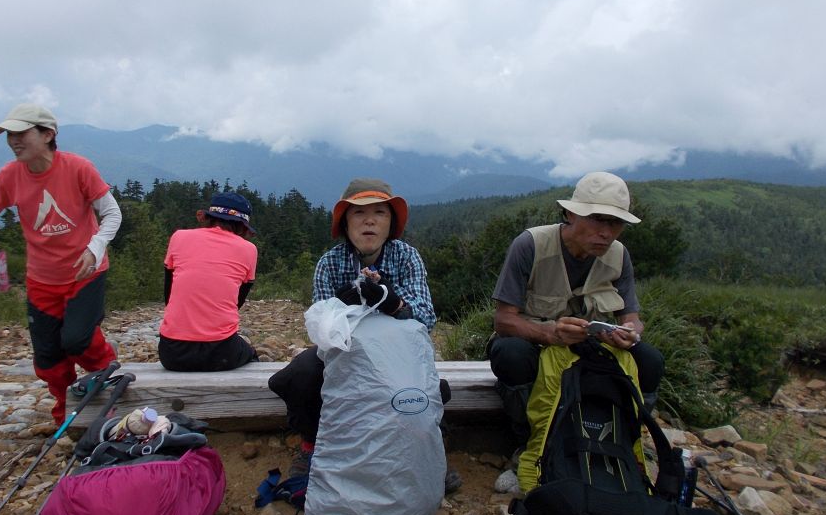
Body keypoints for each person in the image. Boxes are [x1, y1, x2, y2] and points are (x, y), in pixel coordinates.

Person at [268, 178, 454, 485]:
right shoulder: (329, 263)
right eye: (358, 213)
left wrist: (390, 301)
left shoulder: (407, 257)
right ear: (345, 223)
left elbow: (426, 320)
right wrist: (342, 305)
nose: (369, 220)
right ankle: (312, 444)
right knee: (301, 374)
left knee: (425, 390)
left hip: (396, 356)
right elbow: (321, 333)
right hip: (345, 354)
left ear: (391, 223)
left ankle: (427, 451)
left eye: (380, 212)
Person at [0, 103, 122, 427]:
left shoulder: (78, 168)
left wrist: (94, 248)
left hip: (86, 272)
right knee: (48, 359)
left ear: (48, 134)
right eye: (9, 135)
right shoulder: (10, 175)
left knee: (77, 340)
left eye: (21, 133)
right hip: (41, 280)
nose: (13, 140)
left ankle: (107, 378)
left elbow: (112, 213)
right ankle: (66, 409)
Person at [488, 171, 665, 445]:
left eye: (616, 223)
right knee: (510, 353)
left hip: (590, 346)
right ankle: (529, 440)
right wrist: (550, 335)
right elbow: (503, 321)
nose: (606, 233)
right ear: (570, 215)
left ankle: (621, 442)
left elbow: (632, 317)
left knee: (650, 361)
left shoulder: (619, 256)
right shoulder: (531, 245)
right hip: (537, 344)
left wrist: (629, 332)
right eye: (596, 219)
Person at [158, 192, 259, 371]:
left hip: (171, 353)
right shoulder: (248, 249)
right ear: (242, 226)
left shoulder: (179, 237)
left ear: (209, 216)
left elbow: (169, 293)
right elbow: (237, 303)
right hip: (221, 353)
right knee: (251, 354)